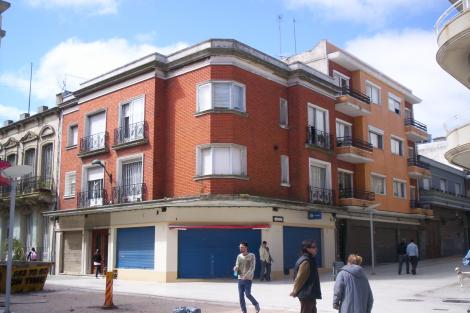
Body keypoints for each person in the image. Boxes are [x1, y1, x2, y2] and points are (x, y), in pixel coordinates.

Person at [290, 240, 322, 313]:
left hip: (309, 294)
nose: (316, 248)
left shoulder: (310, 259)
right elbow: (299, 278)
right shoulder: (306, 261)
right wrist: (295, 291)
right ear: (308, 249)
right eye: (313, 247)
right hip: (306, 294)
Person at [234, 241, 260, 313]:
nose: (240, 248)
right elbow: (237, 265)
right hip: (240, 278)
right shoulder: (239, 256)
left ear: (246, 247)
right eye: (240, 247)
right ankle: (244, 311)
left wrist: (246, 275)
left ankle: (256, 304)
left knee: (247, 294)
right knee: (241, 296)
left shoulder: (252, 255)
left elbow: (252, 267)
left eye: (242, 247)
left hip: (248, 278)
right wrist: (235, 268)